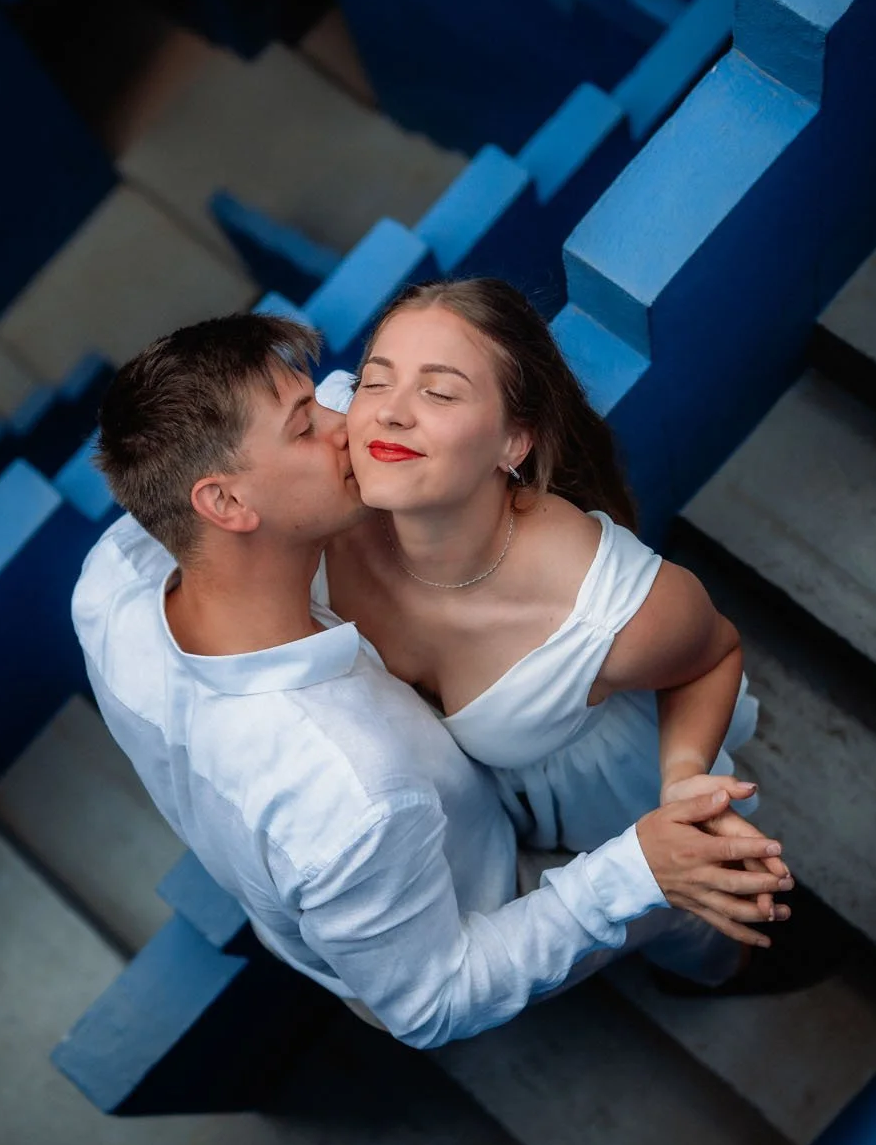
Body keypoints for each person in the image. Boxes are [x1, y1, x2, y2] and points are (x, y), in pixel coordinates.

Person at [72, 312, 791, 1049]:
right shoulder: (350, 794)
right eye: (305, 426)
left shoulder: (112, 579)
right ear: (224, 504)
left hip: (402, 853)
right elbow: (435, 1001)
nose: (346, 422)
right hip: (473, 900)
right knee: (684, 908)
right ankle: (729, 970)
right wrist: (635, 873)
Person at [319, 278, 789, 946]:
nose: (390, 412)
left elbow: (713, 654)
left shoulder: (601, 607)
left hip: (593, 789)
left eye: (439, 392)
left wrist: (683, 775)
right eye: (375, 381)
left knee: (692, 933)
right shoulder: (316, 462)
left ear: (514, 443)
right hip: (477, 826)